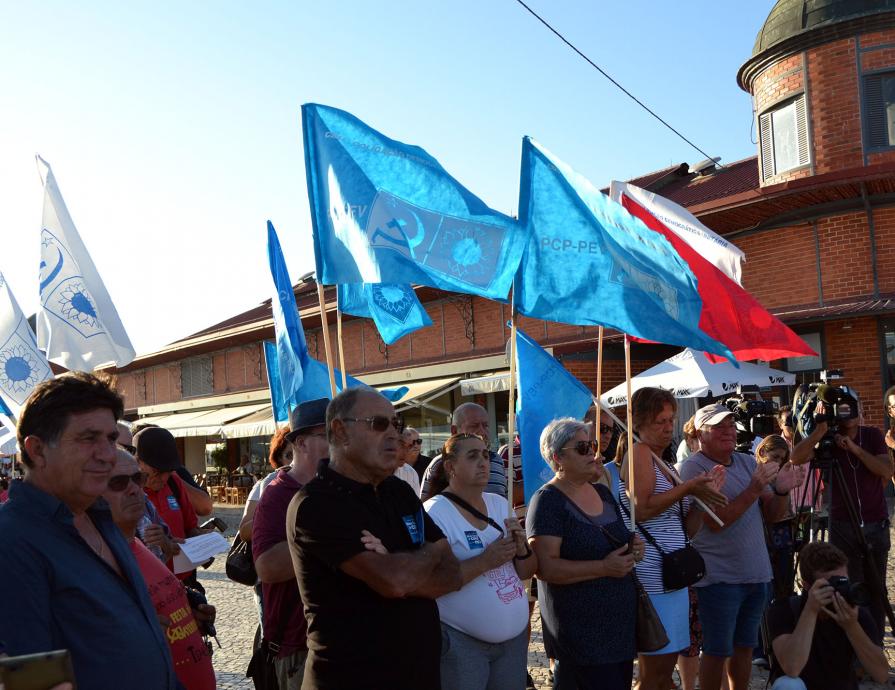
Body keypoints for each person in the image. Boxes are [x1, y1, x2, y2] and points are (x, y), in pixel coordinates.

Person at [0, 373, 178, 689]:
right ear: (38, 450)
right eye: (87, 438)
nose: (107, 454)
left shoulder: (100, 514)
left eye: (110, 438)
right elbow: (32, 678)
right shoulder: (13, 540)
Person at [288, 388, 462, 689]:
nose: (395, 434)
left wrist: (402, 563)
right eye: (379, 424)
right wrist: (428, 552)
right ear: (341, 432)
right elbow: (394, 581)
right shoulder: (315, 503)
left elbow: (453, 574)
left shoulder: (400, 491)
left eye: (397, 423)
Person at [680, 403, 803, 690]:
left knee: (745, 647)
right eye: (719, 426)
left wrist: (782, 490)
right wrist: (754, 489)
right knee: (717, 650)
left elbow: (772, 515)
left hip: (756, 573)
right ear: (701, 433)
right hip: (719, 578)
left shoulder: (747, 462)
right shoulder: (695, 467)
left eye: (731, 425)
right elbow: (715, 523)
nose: (728, 431)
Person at [618, 388, 728, 690]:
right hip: (653, 578)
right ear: (639, 423)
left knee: (664, 672)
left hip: (673, 576)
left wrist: (705, 501)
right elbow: (642, 508)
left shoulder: (661, 459)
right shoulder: (639, 452)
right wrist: (690, 487)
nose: (668, 428)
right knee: (656, 672)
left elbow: (686, 531)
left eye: (671, 420)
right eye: (659, 421)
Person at [527, 417, 645, 689]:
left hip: (618, 627)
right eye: (582, 448)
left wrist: (633, 548)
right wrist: (604, 567)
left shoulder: (602, 492)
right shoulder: (547, 501)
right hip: (580, 632)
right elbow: (545, 568)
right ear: (557, 458)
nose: (593, 452)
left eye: (592, 445)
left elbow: (613, 543)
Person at [424, 433, 536, 689]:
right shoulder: (435, 512)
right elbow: (432, 582)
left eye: (486, 455)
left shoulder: (499, 504)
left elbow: (528, 570)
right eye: (473, 456)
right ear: (450, 466)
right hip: (462, 644)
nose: (484, 462)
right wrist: (487, 560)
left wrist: (523, 549)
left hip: (512, 644)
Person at [103, 448, 216, 690]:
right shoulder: (99, 560)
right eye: (119, 482)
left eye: (137, 478)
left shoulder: (140, 544)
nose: (135, 489)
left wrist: (188, 607)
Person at [790, 389, 893, 642]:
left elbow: (886, 470)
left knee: (877, 586)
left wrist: (855, 450)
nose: (847, 412)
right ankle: (856, 647)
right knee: (850, 586)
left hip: (875, 521)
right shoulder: (827, 440)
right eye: (841, 407)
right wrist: (819, 432)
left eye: (851, 406)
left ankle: (875, 643)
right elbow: (795, 458)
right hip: (842, 523)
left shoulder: (872, 435)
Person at [253, 399, 330, 689]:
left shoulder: (342, 489)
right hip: (300, 647)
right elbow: (268, 568)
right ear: (300, 442)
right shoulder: (277, 495)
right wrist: (323, 530)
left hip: (344, 639)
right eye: (327, 436)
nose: (338, 443)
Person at [767, 541, 888, 689]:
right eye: (830, 585)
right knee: (788, 684)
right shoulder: (785, 609)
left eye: (844, 582)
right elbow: (792, 668)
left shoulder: (856, 613)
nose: (839, 591)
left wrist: (852, 627)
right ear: (806, 585)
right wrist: (811, 610)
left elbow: (881, 674)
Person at [136, 426, 209, 584]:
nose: (163, 477)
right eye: (156, 471)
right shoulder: (126, 493)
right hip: (152, 586)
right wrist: (164, 544)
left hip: (185, 581)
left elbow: (191, 528)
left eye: (168, 471)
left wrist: (204, 540)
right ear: (137, 461)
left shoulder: (174, 482)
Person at [421, 402, 519, 503]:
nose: (482, 431)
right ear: (454, 430)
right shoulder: (439, 464)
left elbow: (504, 501)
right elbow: (426, 510)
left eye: (485, 425)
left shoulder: (497, 460)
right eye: (474, 426)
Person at [239, 426, 294, 543]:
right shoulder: (265, 485)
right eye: (290, 455)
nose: (295, 461)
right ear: (279, 458)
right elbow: (245, 532)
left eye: (300, 453)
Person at [585, 405, 621, 500]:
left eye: (611, 430)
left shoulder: (605, 472)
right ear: (585, 423)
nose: (608, 436)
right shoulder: (571, 465)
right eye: (603, 428)